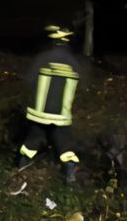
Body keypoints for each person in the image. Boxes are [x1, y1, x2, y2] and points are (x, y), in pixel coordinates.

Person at [17, 25, 85, 183]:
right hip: (61, 116)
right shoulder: (74, 63)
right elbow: (81, 88)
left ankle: (20, 172)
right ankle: (70, 176)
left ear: (52, 42)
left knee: (30, 144)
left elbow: (28, 81)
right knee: (65, 146)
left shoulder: (42, 59)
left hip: (39, 114)